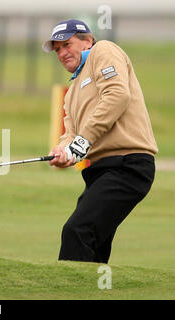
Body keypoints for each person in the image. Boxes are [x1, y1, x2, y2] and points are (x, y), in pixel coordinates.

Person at [42, 19, 158, 263]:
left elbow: (117, 94)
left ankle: (70, 293)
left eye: (67, 44)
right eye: (57, 50)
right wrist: (62, 152)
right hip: (99, 172)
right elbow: (71, 133)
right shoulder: (73, 91)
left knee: (77, 231)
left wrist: (82, 142)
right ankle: (93, 291)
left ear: (87, 40)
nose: (62, 53)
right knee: (95, 245)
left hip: (129, 165)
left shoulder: (103, 51)